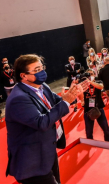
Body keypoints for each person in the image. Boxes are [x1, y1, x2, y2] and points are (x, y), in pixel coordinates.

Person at [5, 54, 88, 184]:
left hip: (47, 152)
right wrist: (66, 101)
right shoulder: (18, 99)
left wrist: (73, 94)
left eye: (41, 67)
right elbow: (41, 122)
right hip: (32, 163)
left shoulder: (43, 87)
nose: (42, 72)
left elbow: (58, 102)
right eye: (36, 70)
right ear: (23, 76)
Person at [78, 69, 109, 142]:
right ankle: (90, 144)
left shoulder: (98, 81)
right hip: (88, 110)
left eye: (91, 74)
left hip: (98, 108)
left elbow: (100, 87)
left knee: (105, 128)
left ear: (94, 75)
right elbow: (80, 97)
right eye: (88, 74)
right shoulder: (83, 85)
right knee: (89, 131)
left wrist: (90, 82)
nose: (89, 76)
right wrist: (81, 90)